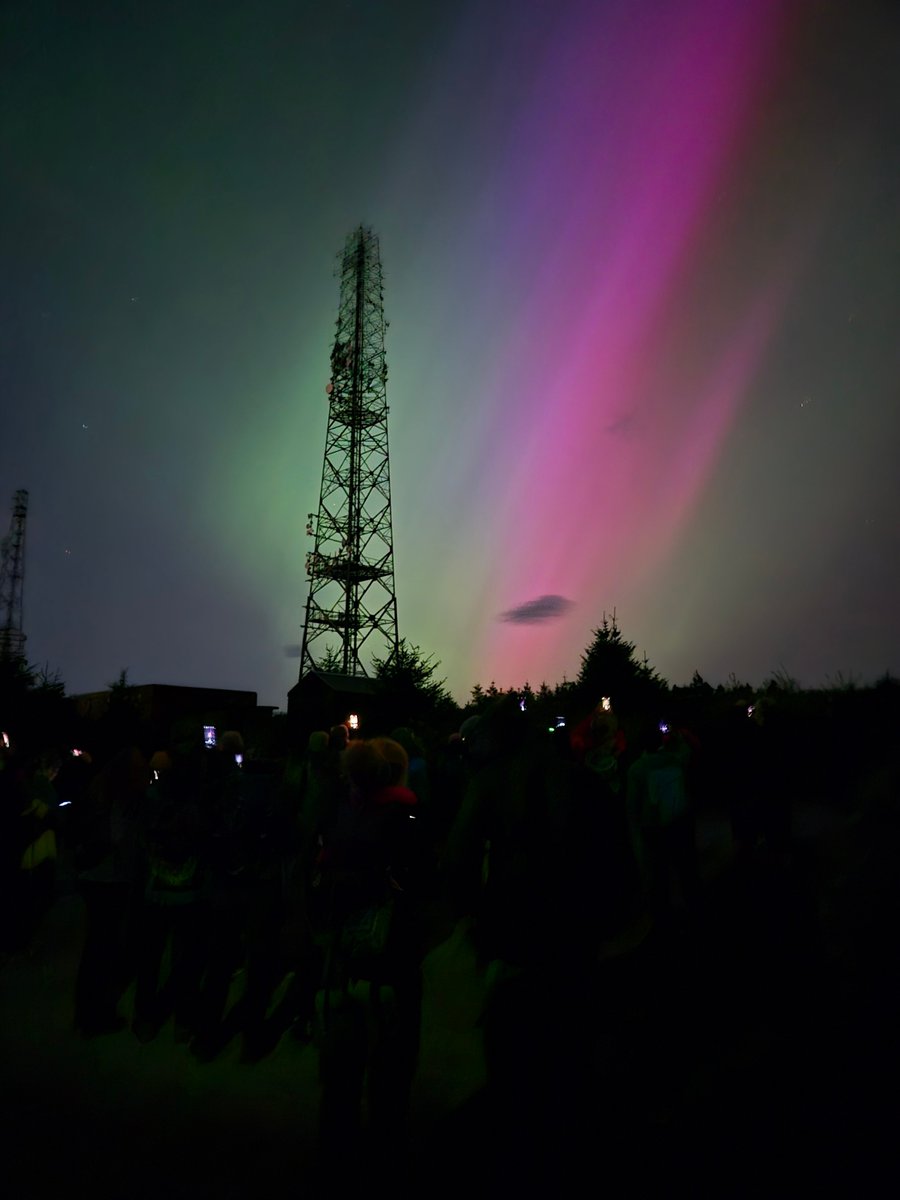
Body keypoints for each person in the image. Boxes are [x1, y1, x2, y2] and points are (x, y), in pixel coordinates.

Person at [315, 737, 424, 1174]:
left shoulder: (342, 819)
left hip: (344, 962)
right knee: (391, 1068)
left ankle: (337, 1155)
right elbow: (425, 889)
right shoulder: (408, 822)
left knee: (341, 1073)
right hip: (391, 964)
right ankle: (383, 1156)